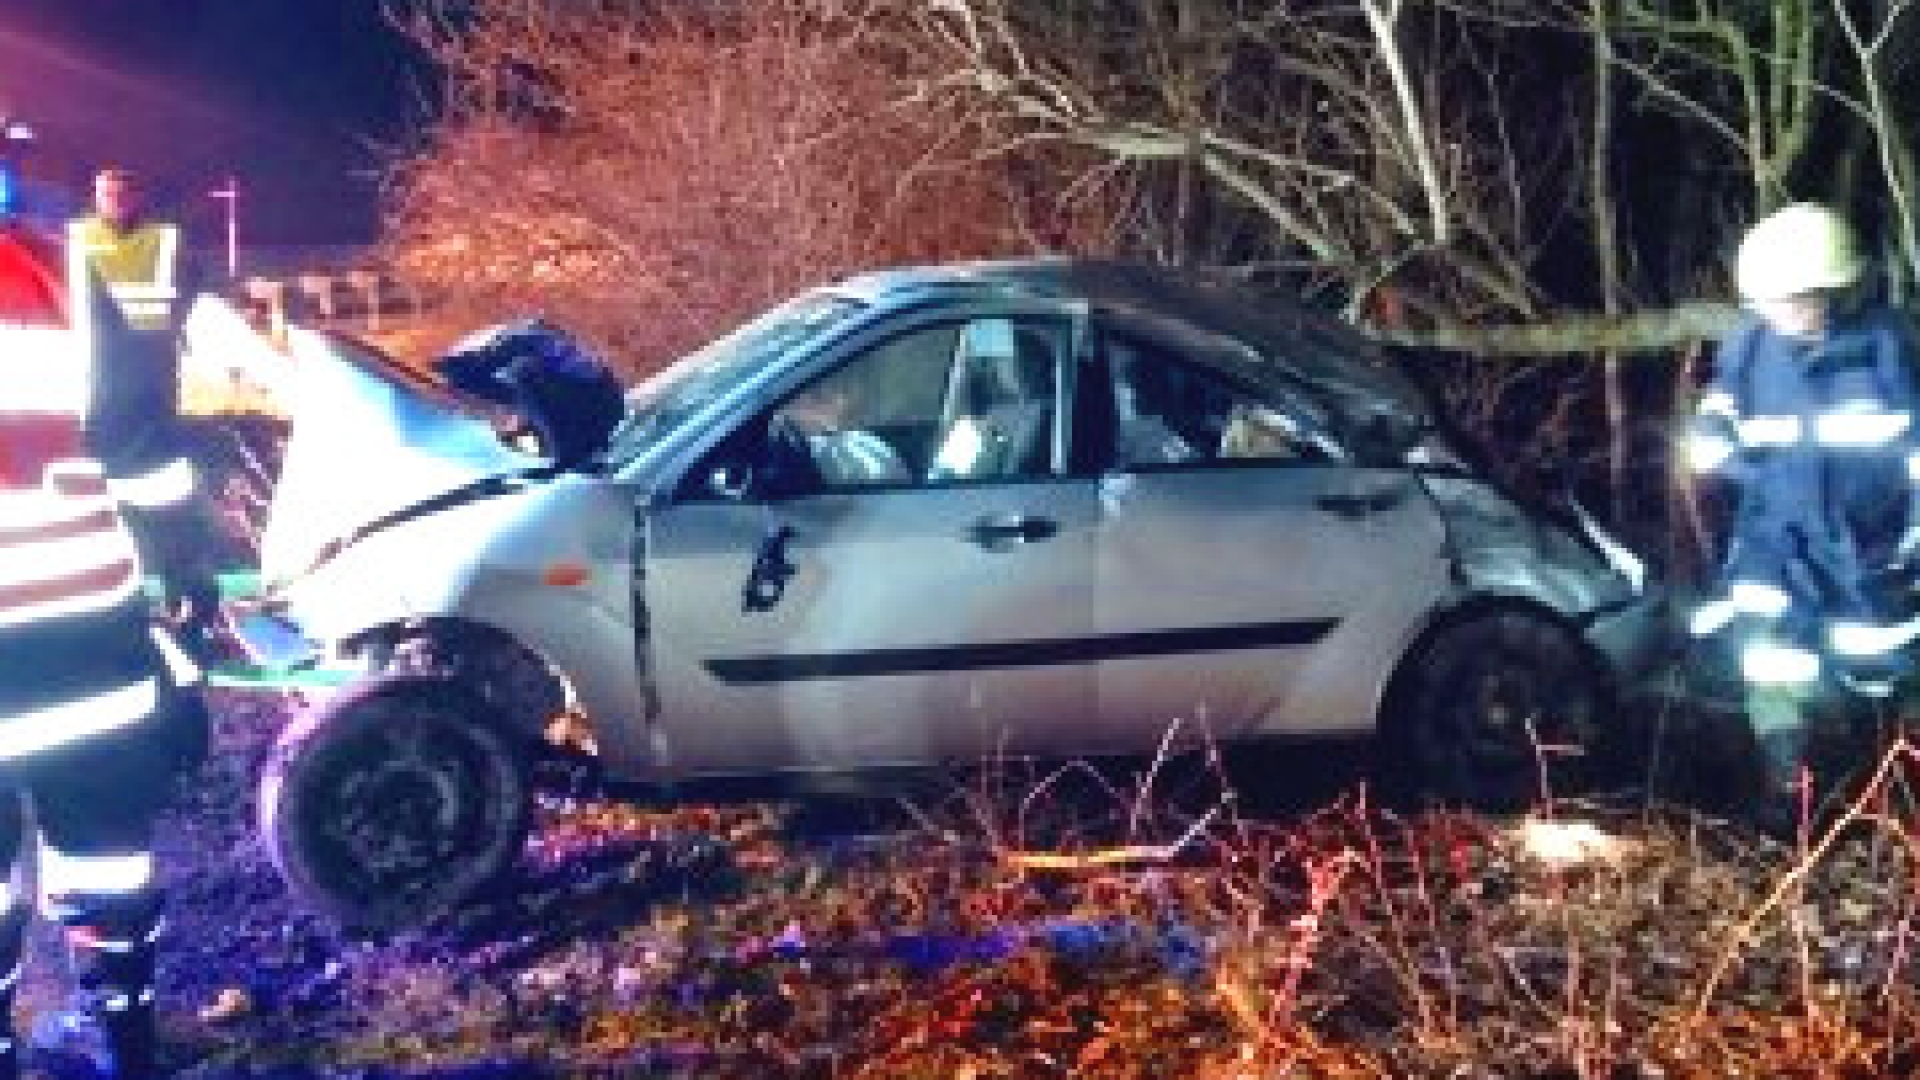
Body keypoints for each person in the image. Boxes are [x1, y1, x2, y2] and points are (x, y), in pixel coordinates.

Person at [1, 182, 209, 1075]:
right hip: (85, 637)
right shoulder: (60, 272)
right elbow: (144, 455)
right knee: (108, 856)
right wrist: (187, 575)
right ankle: (124, 1041)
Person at [1684, 202, 1920, 828]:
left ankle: (1896, 793)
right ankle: (1790, 795)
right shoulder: (1751, 348)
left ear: (1838, 289)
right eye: (1770, 301)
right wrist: (1710, 438)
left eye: (1796, 299)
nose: (1782, 313)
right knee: (1771, 657)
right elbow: (1722, 409)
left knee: (1887, 666)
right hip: (1777, 543)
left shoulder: (1893, 351)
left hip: (1874, 548)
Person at [68, 168, 187, 336]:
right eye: (108, 195)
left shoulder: (165, 235)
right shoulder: (78, 234)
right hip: (99, 338)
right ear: (96, 198)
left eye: (122, 195)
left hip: (154, 341)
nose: (115, 201)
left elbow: (189, 286)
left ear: (136, 198)